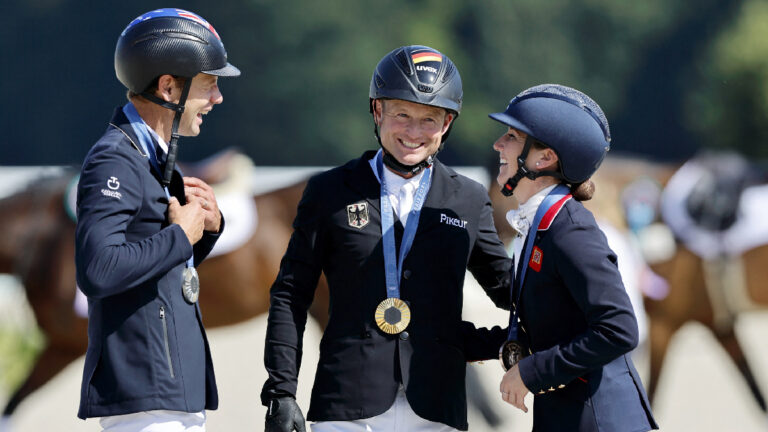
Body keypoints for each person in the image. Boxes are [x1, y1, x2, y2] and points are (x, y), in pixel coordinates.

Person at [261, 45, 511, 432]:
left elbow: (508, 288)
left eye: (429, 119)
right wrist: (281, 390)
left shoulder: (469, 198)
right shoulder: (329, 192)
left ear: (447, 123)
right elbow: (291, 294)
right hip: (347, 405)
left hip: (436, 406)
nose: (414, 132)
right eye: (402, 115)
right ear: (378, 111)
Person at [75, 8, 239, 431]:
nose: (218, 98)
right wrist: (182, 235)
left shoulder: (152, 157)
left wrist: (204, 231)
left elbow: (158, 274)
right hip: (143, 396)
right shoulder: (115, 157)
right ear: (169, 87)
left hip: (169, 390)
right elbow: (99, 269)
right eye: (210, 84)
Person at [490, 84, 658, 431]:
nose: (498, 145)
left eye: (511, 136)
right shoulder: (540, 225)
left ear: (544, 158)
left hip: (599, 421)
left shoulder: (571, 231)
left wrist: (532, 372)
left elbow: (619, 329)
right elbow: (551, 327)